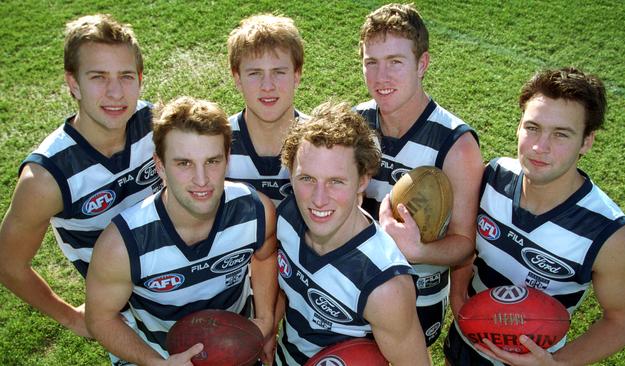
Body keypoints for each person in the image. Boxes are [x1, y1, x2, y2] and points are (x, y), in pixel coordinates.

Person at [444, 67, 625, 365]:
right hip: (466, 341)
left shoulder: (609, 233)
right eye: (532, 127)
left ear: (587, 142)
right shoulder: (493, 176)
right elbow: (465, 242)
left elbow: (622, 320)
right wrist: (459, 295)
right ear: (518, 126)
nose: (539, 147)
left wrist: (555, 363)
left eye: (561, 134)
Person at [0, 13, 161, 343]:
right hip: (126, 321)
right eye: (99, 77)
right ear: (73, 83)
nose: (116, 92)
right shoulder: (46, 177)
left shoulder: (158, 125)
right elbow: (8, 263)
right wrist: (72, 318)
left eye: (126, 76)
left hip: (190, 289)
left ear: (140, 79)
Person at [85, 96, 278, 365]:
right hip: (159, 354)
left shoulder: (255, 211)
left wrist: (266, 320)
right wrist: (158, 363)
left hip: (233, 348)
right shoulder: (123, 244)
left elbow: (264, 256)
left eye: (212, 161)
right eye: (184, 163)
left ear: (227, 159)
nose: (201, 180)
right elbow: (100, 318)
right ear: (160, 166)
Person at [355, 3, 484, 346]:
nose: (381, 77)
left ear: (422, 63)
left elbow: (464, 245)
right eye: (371, 62)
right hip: (354, 282)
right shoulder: (354, 123)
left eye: (395, 62)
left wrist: (417, 250)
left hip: (417, 296)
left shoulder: (456, 145)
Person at [273, 101, 431, 366]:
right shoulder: (288, 216)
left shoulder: (384, 286)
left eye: (336, 181)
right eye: (307, 179)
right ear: (290, 175)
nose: (319, 199)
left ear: (363, 181)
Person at [226, 14, 307, 206]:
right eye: (255, 73)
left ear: (297, 75)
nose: (268, 86)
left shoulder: (320, 142)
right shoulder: (216, 143)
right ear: (237, 78)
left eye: (279, 72)